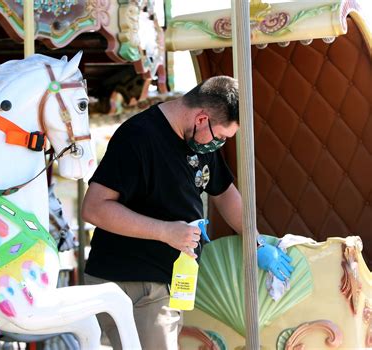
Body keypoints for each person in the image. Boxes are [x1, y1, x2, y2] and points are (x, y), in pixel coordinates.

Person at [81, 76, 294, 350]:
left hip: (168, 280)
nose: (219, 146)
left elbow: (225, 192)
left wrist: (255, 241)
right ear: (202, 118)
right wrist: (165, 231)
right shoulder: (138, 137)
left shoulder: (199, 139)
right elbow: (94, 207)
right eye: (221, 138)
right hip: (135, 279)